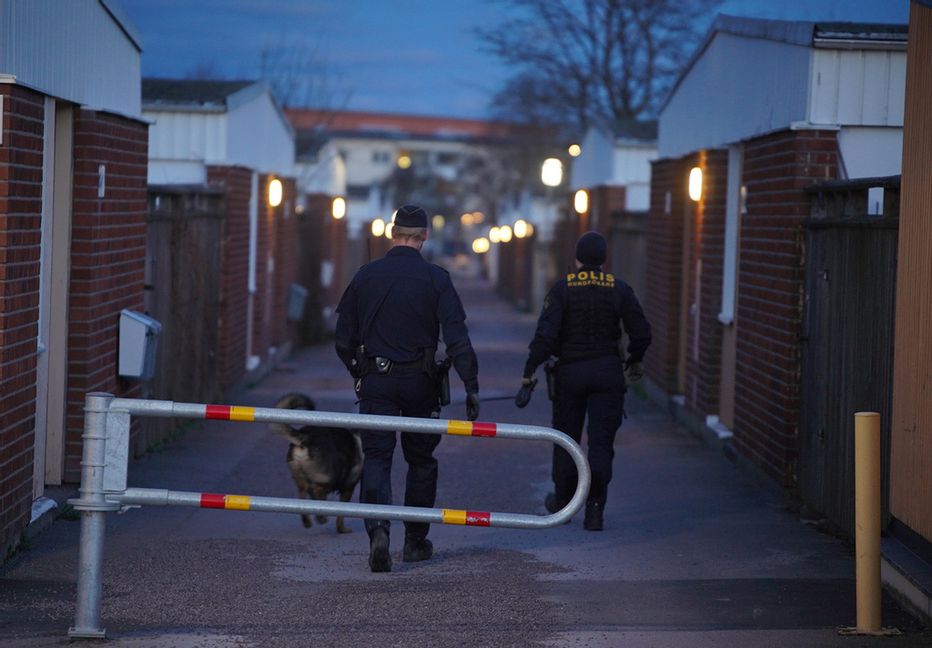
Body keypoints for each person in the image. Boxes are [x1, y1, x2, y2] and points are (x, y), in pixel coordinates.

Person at [335, 204, 480, 573]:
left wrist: (359, 370)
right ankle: (415, 541)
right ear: (425, 236)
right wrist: (471, 385)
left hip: (377, 382)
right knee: (421, 461)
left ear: (391, 232)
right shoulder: (436, 278)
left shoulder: (366, 276)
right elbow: (457, 336)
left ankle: (378, 531)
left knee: (378, 459)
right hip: (421, 383)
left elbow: (343, 339)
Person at [516, 231, 650, 531]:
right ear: (603, 259)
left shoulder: (563, 289)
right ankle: (595, 509)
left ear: (577, 259)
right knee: (601, 444)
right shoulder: (619, 289)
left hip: (570, 375)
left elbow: (545, 336)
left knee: (566, 440)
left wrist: (529, 370)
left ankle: (564, 504)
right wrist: (634, 359)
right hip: (608, 374)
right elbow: (641, 332)